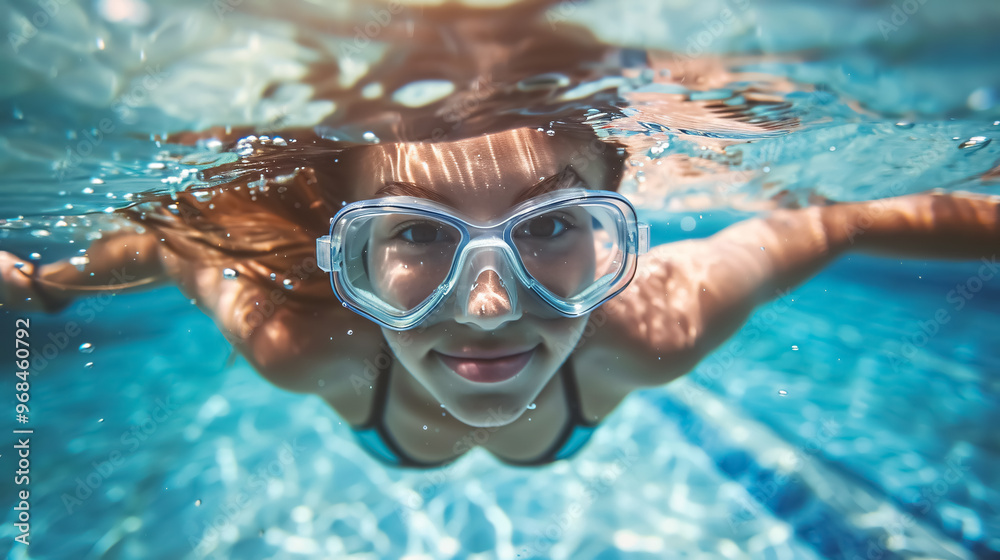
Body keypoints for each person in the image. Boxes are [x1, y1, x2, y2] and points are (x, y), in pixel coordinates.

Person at [2, 122, 999, 469]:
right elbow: (179, 248)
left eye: (553, 226)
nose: (487, 306)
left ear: (618, 229)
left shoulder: (651, 327)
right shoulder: (309, 343)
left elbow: (837, 221)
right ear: (345, 255)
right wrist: (45, 288)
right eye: (416, 233)